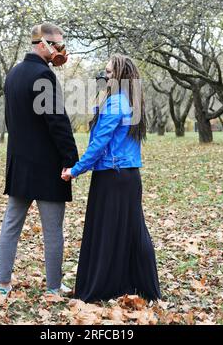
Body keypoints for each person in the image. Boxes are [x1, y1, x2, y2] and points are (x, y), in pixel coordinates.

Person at [62, 54, 161, 303]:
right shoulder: (129, 100)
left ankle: (103, 288)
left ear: (119, 76)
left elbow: (99, 143)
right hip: (126, 176)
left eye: (108, 72)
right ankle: (133, 286)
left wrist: (75, 169)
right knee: (129, 231)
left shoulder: (117, 102)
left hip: (113, 176)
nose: (104, 76)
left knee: (108, 233)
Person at [0, 23, 79, 297]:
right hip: (47, 168)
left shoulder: (14, 74)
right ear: (42, 44)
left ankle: (3, 284)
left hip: (19, 164)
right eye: (58, 45)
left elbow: (11, 121)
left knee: (11, 225)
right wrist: (71, 159)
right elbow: (57, 122)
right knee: (53, 230)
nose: (61, 51)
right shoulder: (43, 75)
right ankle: (54, 287)